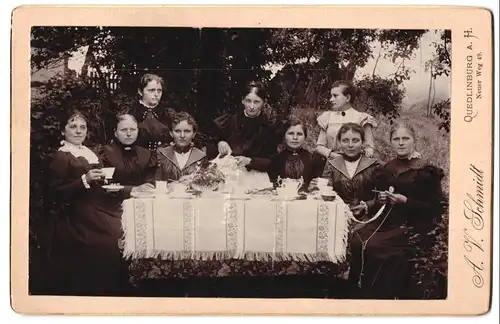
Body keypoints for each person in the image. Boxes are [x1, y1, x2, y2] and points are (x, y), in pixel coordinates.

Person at [348, 121, 445, 299]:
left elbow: (435, 208)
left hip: (412, 224)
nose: (401, 143)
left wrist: (405, 201)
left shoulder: (425, 170)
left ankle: (382, 295)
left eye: (405, 139)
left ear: (414, 141)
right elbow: (379, 200)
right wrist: (375, 202)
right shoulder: (387, 168)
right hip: (387, 221)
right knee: (357, 240)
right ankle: (359, 293)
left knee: (375, 246)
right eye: (396, 139)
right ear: (391, 142)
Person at [45, 110, 130, 296]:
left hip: (99, 207)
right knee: (105, 242)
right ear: (63, 131)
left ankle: (115, 292)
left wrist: (104, 181)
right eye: (73, 127)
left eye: (82, 127)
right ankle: (94, 294)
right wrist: (84, 180)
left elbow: (97, 183)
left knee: (124, 231)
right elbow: (55, 194)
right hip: (76, 214)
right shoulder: (61, 155)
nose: (78, 131)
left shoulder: (88, 151)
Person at [206, 81, 279, 174]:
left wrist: (250, 161)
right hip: (229, 173)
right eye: (248, 101)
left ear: (263, 102)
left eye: (256, 102)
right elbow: (212, 142)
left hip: (255, 175)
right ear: (243, 100)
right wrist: (220, 142)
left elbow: (272, 161)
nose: (252, 106)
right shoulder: (229, 121)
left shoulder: (268, 128)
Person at [321, 123, 380, 216]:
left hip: (368, 219)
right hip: (339, 216)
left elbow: (381, 197)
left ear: (363, 142)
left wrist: (367, 206)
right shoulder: (331, 164)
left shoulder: (374, 165)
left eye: (355, 140)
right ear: (339, 142)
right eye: (345, 140)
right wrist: (317, 188)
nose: (350, 145)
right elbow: (326, 192)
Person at [315, 80, 377, 162]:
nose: (331, 99)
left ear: (347, 98)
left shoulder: (362, 118)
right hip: (333, 163)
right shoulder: (327, 117)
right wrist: (333, 155)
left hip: (356, 163)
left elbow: (369, 147)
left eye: (335, 96)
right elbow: (319, 146)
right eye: (331, 96)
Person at [102, 113, 157, 196]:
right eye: (124, 130)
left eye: (132, 129)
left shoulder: (146, 154)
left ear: (138, 131)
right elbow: (105, 185)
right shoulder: (104, 153)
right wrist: (132, 189)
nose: (128, 134)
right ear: (115, 133)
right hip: (112, 202)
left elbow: (150, 182)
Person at [120, 73, 176, 153]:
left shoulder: (168, 114)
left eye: (159, 91)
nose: (156, 94)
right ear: (140, 92)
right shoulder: (130, 112)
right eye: (151, 90)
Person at [267, 118, 323, 191]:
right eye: (291, 133)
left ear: (305, 137)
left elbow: (317, 185)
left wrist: (315, 186)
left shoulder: (313, 159)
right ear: (284, 136)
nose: (295, 138)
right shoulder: (276, 160)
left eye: (299, 134)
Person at [155, 111, 207, 182]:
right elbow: (156, 182)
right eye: (178, 131)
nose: (182, 136)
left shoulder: (201, 157)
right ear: (171, 133)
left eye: (187, 131)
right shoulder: (162, 154)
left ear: (194, 134)